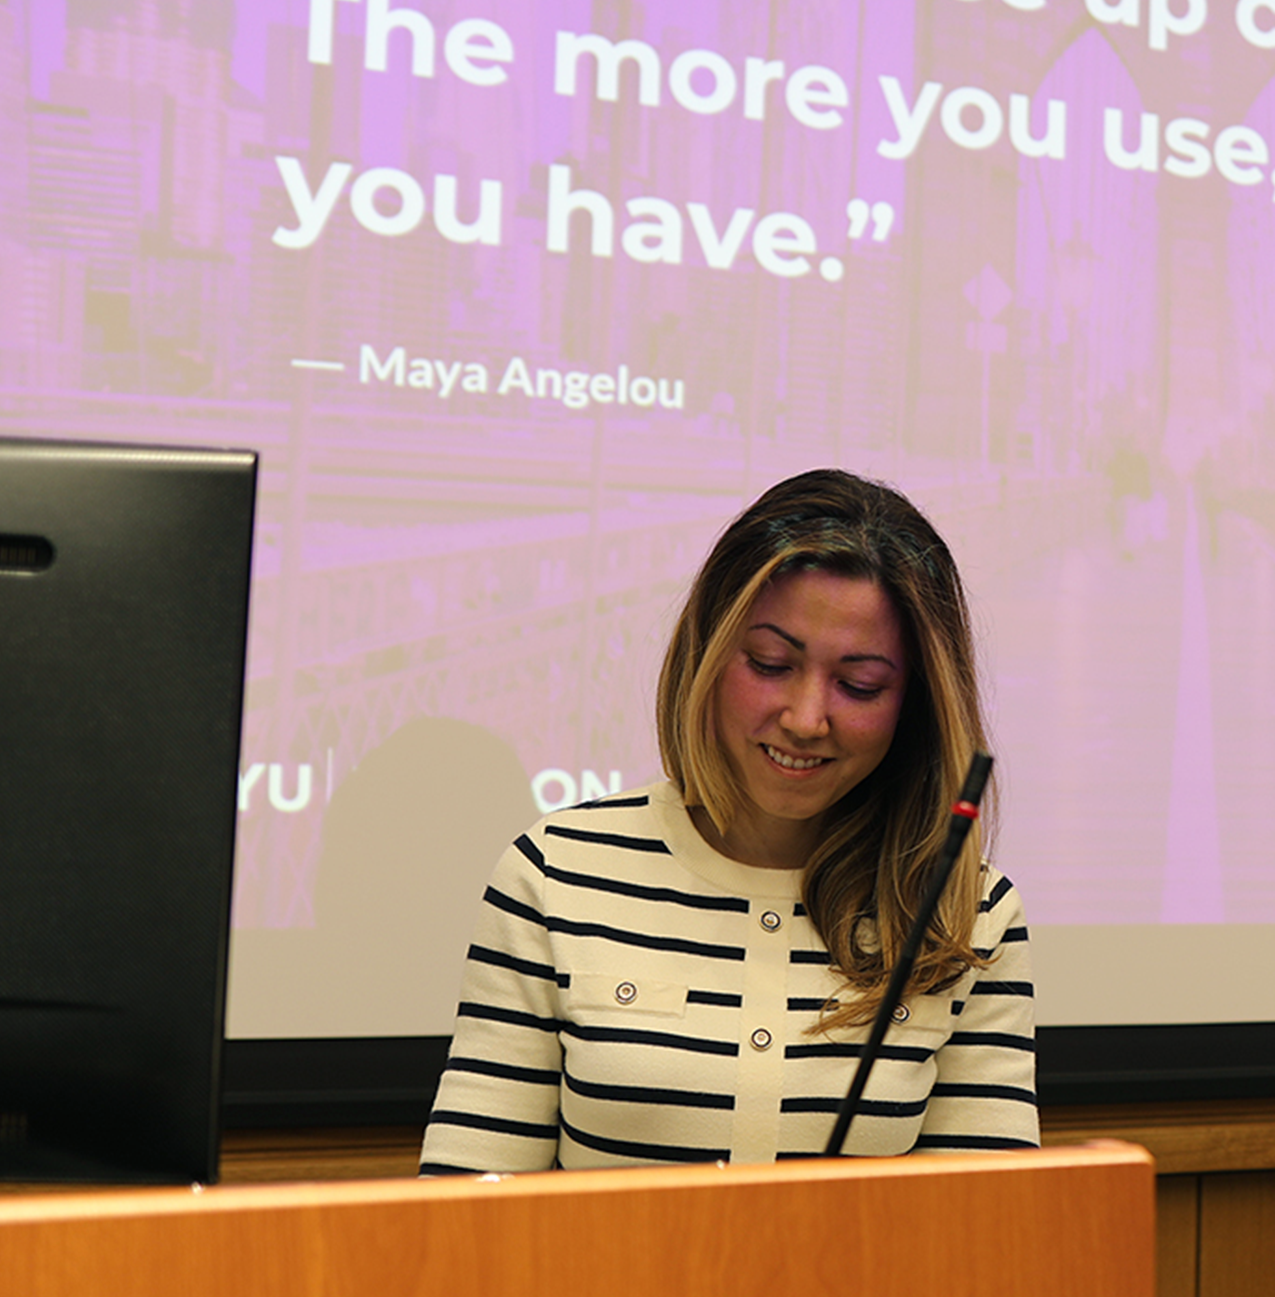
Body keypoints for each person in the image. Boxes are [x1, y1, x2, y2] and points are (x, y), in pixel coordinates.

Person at [420, 470, 1037, 1171]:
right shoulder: (554, 877)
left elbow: (986, 1225)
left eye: (859, 685)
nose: (806, 719)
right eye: (770, 664)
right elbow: (467, 1206)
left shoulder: (970, 913)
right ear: (708, 654)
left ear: (916, 704)